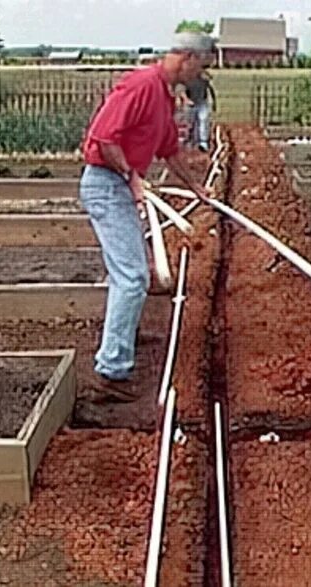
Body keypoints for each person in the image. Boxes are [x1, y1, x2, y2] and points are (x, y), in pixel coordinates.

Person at [79, 32, 213, 403]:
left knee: (129, 272)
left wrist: (198, 188)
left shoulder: (165, 98)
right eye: (200, 67)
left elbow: (170, 151)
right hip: (106, 184)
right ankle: (111, 371)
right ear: (186, 57)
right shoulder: (141, 85)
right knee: (133, 276)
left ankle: (122, 339)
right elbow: (103, 138)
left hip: (118, 185)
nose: (199, 75)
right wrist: (132, 177)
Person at [184, 70, 216, 152]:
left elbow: (211, 90)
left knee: (203, 122)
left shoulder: (204, 80)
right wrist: (186, 100)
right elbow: (182, 91)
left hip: (202, 103)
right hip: (192, 104)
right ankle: (191, 141)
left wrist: (213, 103)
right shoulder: (187, 79)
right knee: (191, 124)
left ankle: (203, 143)